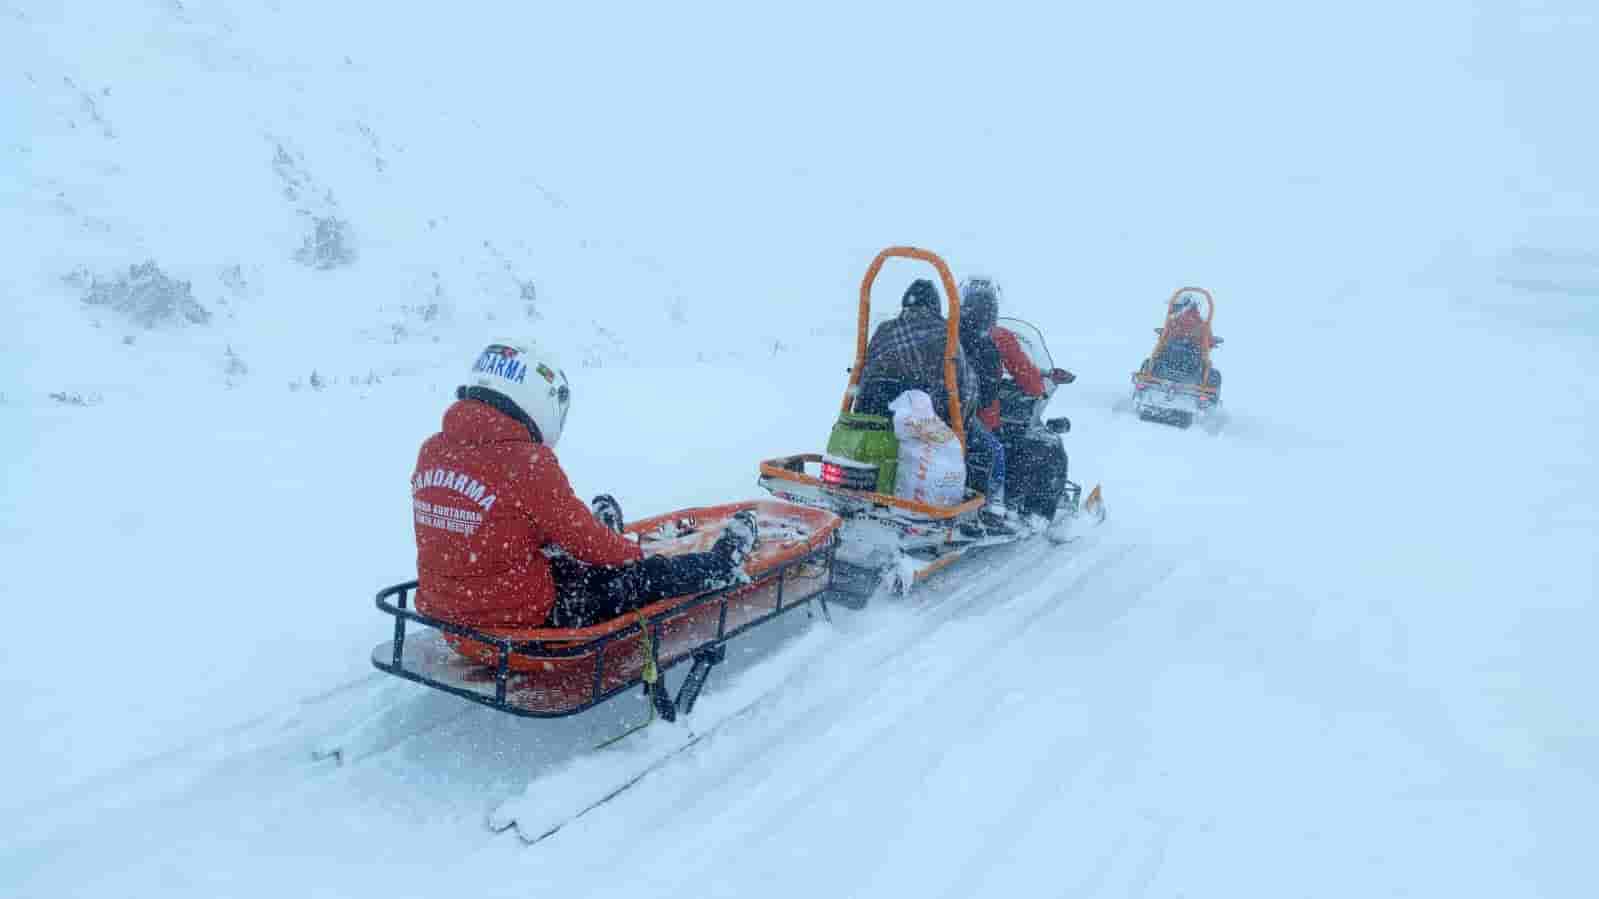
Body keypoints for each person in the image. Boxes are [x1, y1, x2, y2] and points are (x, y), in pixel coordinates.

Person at [411, 340, 759, 632]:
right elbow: (592, 546)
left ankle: (599, 535)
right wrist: (635, 559)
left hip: (450, 617)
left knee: (563, 550)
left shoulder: (433, 449)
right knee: (643, 579)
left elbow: (498, 523)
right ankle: (721, 563)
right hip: (520, 621)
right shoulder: (524, 462)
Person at [958, 276, 1076, 531]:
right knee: (1043, 444)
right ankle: (1029, 511)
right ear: (994, 309)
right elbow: (1030, 381)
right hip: (981, 418)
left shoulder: (947, 332)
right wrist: (1037, 387)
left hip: (942, 413)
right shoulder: (999, 337)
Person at [853, 278, 977, 428]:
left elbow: (865, 373)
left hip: (874, 420)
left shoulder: (885, 330)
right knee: (992, 449)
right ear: (935, 306)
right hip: (926, 428)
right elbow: (966, 388)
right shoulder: (946, 334)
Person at [1149, 293, 1221, 388]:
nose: (1172, 309)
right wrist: (1212, 342)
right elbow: (1208, 340)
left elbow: (1168, 334)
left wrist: (1163, 334)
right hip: (1191, 365)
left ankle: (1149, 377)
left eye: (1174, 306)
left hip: (1167, 362)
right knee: (1211, 371)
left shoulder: (1174, 320)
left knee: (1154, 359)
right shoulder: (1201, 323)